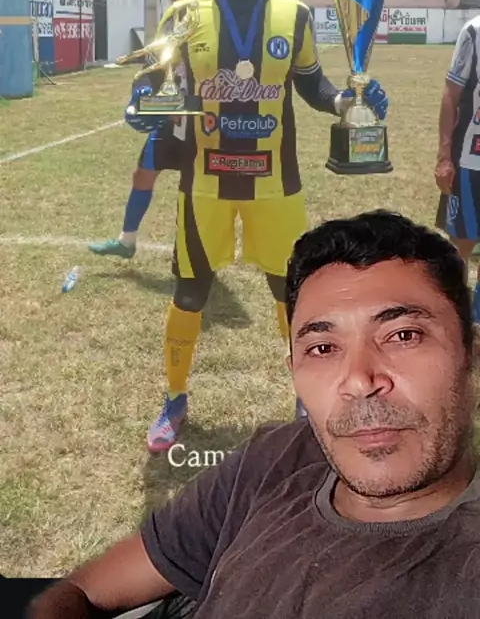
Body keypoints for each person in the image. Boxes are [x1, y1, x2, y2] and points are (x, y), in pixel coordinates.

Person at [27, 210, 480, 619]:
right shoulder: (275, 458)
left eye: (403, 335)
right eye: (323, 348)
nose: (360, 380)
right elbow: (81, 591)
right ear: (293, 370)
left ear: (472, 356)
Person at [123, 0, 389, 452]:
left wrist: (346, 101)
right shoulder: (184, 14)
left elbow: (311, 84)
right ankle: (175, 400)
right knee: (190, 291)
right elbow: (152, 83)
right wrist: (139, 103)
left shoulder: (293, 15)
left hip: (277, 185)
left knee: (292, 294)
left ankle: (306, 398)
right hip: (205, 183)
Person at [89, 0, 209, 260]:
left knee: (196, 188)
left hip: (202, 122)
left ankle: (195, 254)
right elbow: (155, 65)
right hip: (173, 117)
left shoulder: (215, 23)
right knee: (144, 172)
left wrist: (185, 106)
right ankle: (126, 241)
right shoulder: (175, 22)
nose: (170, 1)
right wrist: (141, 95)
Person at [435, 14, 480, 320]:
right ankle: (455, 317)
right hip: (471, 160)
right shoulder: (474, 31)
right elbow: (451, 94)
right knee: (461, 244)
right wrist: (444, 156)